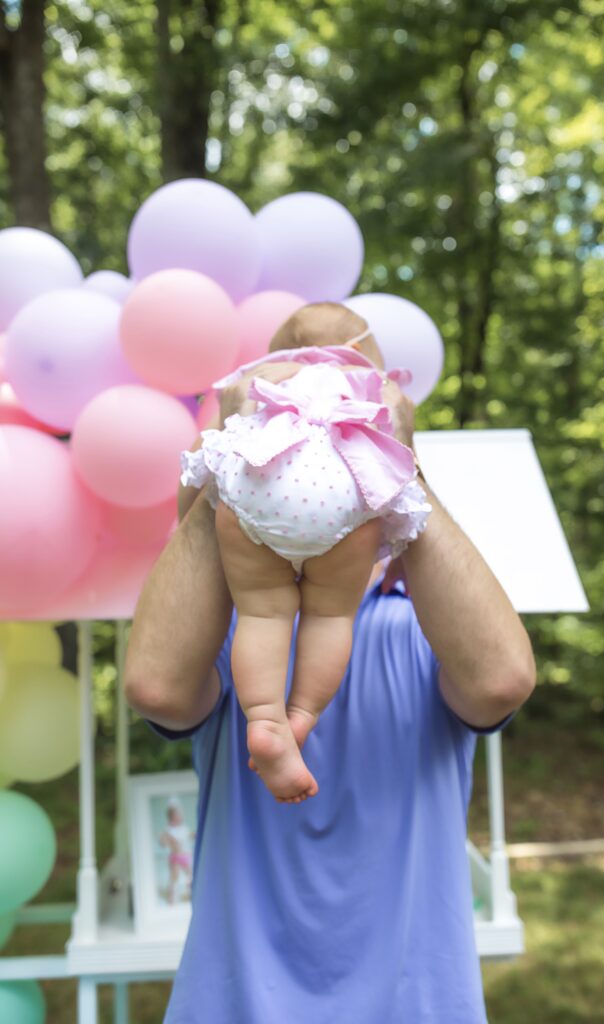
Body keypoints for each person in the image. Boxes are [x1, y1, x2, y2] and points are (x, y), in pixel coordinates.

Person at [124, 302, 536, 1023]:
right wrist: (239, 451)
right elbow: (157, 686)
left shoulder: (422, 633)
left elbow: (500, 679)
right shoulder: (231, 638)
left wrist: (390, 458)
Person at [178, 305, 432, 804]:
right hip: (342, 489)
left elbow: (200, 468)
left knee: (262, 611)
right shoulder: (370, 381)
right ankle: (301, 716)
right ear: (357, 348)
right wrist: (399, 548)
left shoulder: (260, 379)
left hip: (259, 478)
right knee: (332, 614)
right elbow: (399, 465)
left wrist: (198, 507)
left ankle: (265, 719)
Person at [158, 797, 194, 905]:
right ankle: (172, 896)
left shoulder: (184, 828)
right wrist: (167, 841)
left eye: (179, 815)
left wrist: (194, 835)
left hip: (186, 856)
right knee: (174, 876)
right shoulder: (169, 830)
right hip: (175, 857)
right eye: (175, 816)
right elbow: (163, 840)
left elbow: (190, 835)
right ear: (170, 818)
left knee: (190, 874)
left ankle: (189, 893)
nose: (178, 818)